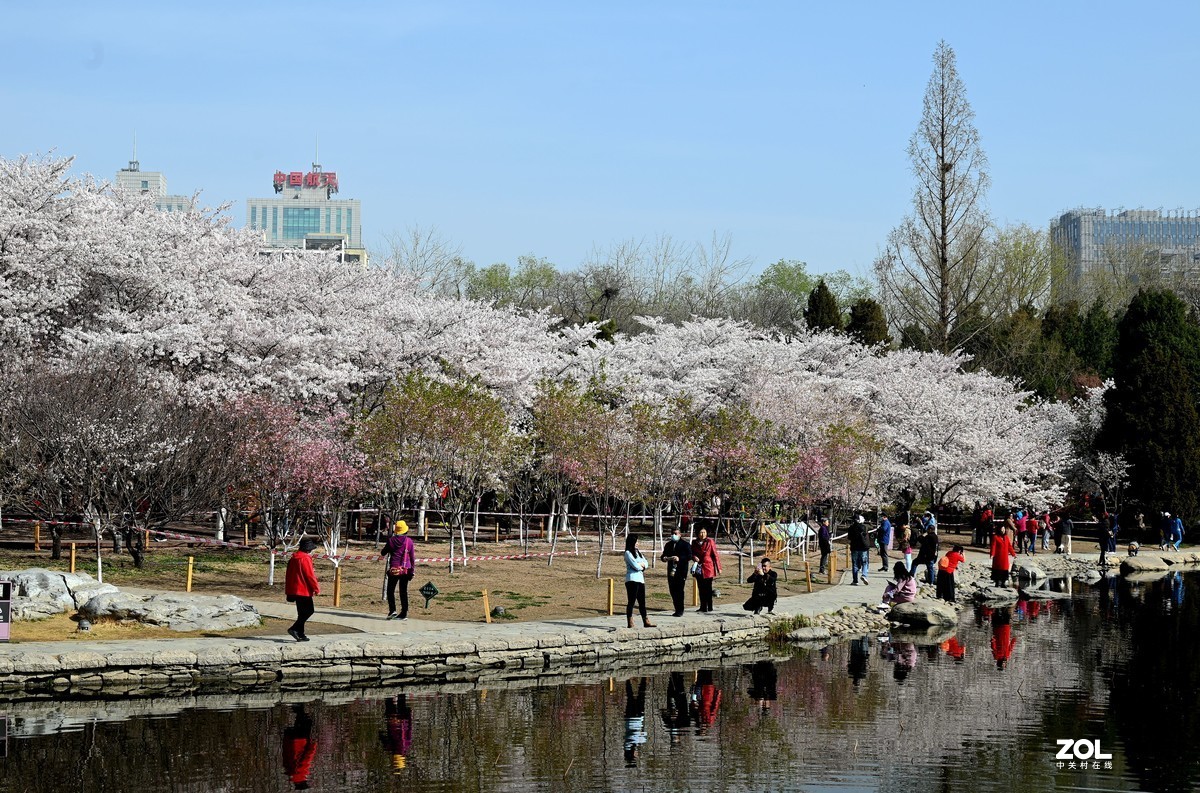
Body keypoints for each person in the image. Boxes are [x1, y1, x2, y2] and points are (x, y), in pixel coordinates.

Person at [285, 538, 320, 642]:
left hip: (294, 588)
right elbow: (310, 575)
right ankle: (294, 629)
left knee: (302, 612)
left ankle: (301, 633)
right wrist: (316, 588)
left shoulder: (294, 558)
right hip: (303, 589)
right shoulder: (305, 558)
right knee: (309, 610)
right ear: (308, 549)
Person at [381, 520, 415, 620]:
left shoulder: (391, 541)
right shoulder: (409, 541)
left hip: (394, 569)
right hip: (406, 569)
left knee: (390, 590)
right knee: (403, 591)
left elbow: (383, 553)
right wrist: (412, 571)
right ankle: (404, 613)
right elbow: (412, 557)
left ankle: (392, 610)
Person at [282, 704, 318, 790]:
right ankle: (296, 704)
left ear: (303, 782)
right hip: (291, 739)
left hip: (301, 741)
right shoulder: (289, 770)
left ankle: (298, 704)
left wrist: (314, 745)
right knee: (301, 719)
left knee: (307, 721)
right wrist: (286, 737)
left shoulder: (301, 773)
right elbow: (285, 753)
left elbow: (307, 757)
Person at [623, 534, 655, 628]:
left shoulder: (638, 552)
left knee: (642, 602)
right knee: (631, 601)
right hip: (632, 579)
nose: (638, 543)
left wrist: (642, 565)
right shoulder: (628, 553)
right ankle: (630, 621)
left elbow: (646, 563)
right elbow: (635, 566)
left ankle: (645, 620)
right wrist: (640, 565)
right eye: (636, 541)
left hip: (641, 580)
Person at [661, 527, 693, 617]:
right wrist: (664, 558)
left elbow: (689, 556)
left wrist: (680, 558)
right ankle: (676, 608)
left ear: (680, 534)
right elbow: (663, 555)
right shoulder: (668, 544)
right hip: (671, 571)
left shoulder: (685, 545)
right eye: (672, 534)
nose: (674, 535)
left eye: (676, 533)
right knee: (672, 590)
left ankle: (680, 610)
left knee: (679, 590)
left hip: (681, 571)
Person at [379, 695, 413, 774]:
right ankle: (388, 693)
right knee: (389, 703)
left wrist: (409, 717)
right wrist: (380, 734)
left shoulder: (407, 745)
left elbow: (409, 729)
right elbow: (383, 738)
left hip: (403, 719)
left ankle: (401, 691)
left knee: (401, 702)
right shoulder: (391, 748)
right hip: (392, 722)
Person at [692, 528, 721, 613]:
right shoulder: (694, 543)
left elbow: (715, 554)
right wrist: (694, 557)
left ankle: (710, 606)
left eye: (704, 532)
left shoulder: (710, 542)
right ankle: (703, 606)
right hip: (699, 567)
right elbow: (691, 553)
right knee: (701, 588)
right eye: (701, 532)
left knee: (708, 588)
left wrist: (719, 567)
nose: (703, 534)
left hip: (708, 567)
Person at [623, 678, 647, 766]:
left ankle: (627, 679)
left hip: (630, 718)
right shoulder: (636, 743)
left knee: (630, 697)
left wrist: (639, 739)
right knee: (641, 695)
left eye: (635, 756)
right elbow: (644, 734)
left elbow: (635, 736)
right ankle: (643, 679)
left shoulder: (628, 745)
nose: (637, 754)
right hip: (639, 718)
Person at [849, 514, 871, 585]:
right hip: (863, 548)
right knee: (864, 562)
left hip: (854, 548)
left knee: (855, 564)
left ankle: (855, 581)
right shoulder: (864, 527)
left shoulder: (851, 528)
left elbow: (849, 537)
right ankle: (864, 575)